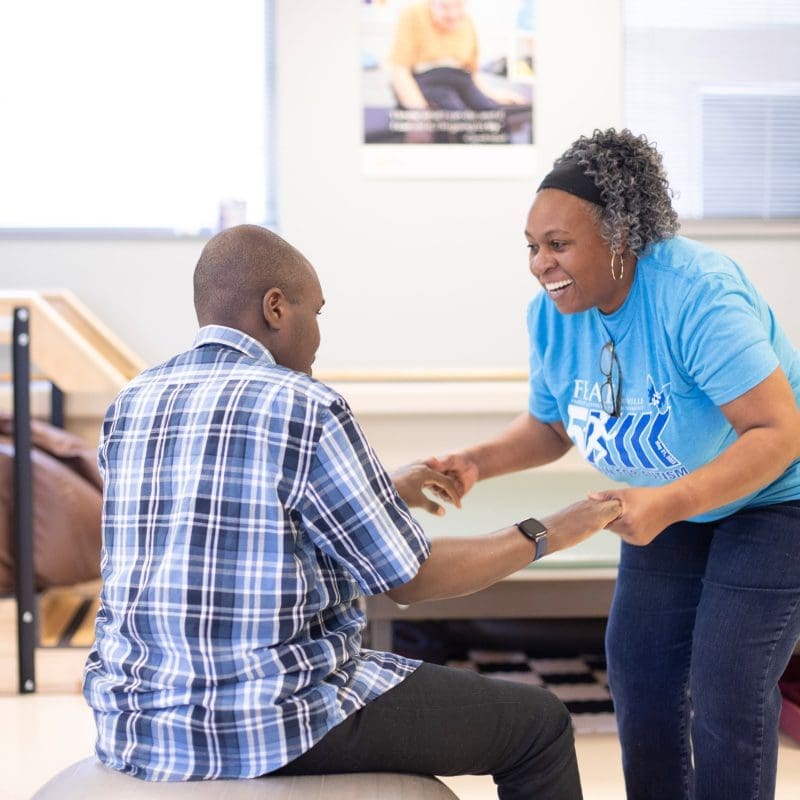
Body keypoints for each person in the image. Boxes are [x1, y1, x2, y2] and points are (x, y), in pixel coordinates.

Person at [82, 223, 620, 798]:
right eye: (316, 313)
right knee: (538, 724)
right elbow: (411, 580)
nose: (318, 337)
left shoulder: (134, 400)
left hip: (135, 723)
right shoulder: (304, 403)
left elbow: (215, 510)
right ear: (274, 308)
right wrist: (549, 531)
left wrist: (383, 486)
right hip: (265, 720)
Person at [423, 128, 800, 800]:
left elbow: (777, 431)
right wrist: (476, 460)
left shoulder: (696, 294)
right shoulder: (553, 315)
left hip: (777, 496)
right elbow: (551, 425)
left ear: (621, 236)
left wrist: (668, 504)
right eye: (533, 247)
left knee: (726, 677)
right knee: (640, 670)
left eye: (558, 244)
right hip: (669, 499)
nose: (541, 262)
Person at [386, 0, 525, 111]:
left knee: (489, 110)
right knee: (453, 110)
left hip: (461, 79)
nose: (453, 14)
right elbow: (400, 70)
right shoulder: (412, 14)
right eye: (445, 7)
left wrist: (492, 95)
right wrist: (419, 114)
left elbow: (471, 70)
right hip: (428, 79)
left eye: (459, 5)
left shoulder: (467, 20)